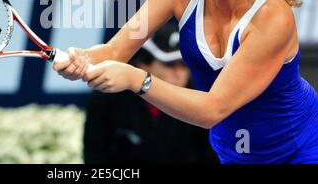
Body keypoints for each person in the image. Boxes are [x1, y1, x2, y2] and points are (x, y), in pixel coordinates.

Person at [54, 0, 318, 164]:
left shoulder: (272, 17)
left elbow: (213, 109)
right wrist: (81, 58)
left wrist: (138, 80)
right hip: (233, 153)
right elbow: (114, 51)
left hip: (301, 149)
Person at [83, 22, 219, 163]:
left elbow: (209, 158)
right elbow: (94, 157)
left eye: (184, 65)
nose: (179, 74)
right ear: (143, 63)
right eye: (170, 64)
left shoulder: (200, 98)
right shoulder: (107, 97)